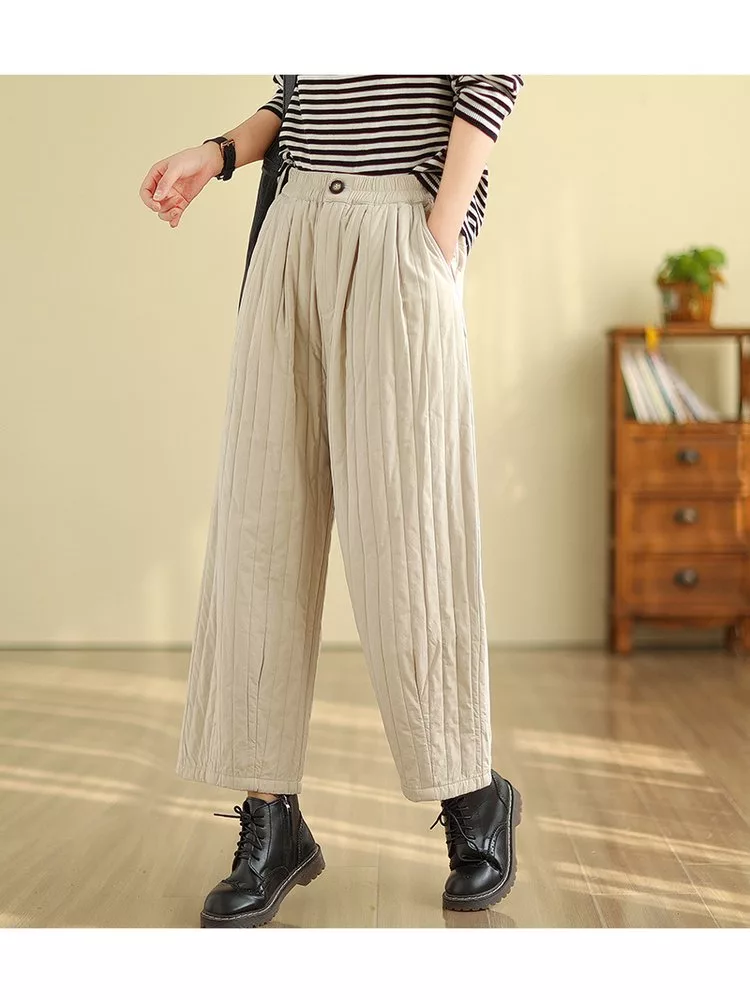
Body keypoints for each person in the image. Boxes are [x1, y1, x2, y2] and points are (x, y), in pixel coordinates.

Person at [139, 74, 524, 928]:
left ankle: (470, 792)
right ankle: (269, 816)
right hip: (293, 225)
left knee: (407, 537)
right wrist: (219, 153)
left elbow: (490, 75)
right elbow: (301, 92)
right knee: (262, 529)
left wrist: (439, 237)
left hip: (400, 230)